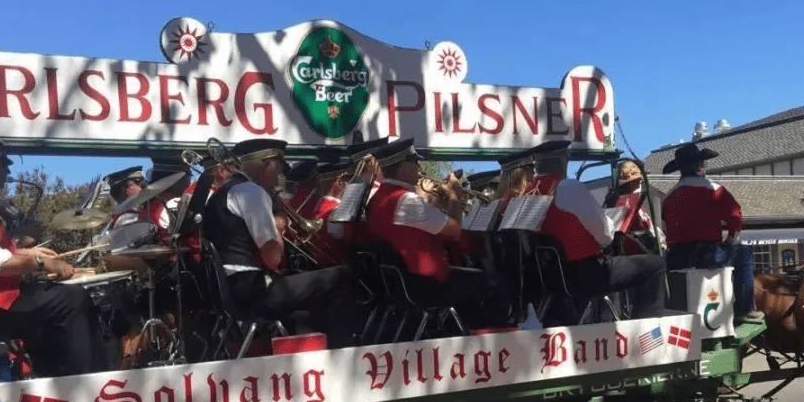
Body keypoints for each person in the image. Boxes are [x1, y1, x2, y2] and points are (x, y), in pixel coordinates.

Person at [0, 117, 111, 376]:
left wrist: (23, 253)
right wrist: (41, 263)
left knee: (44, 299)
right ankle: (83, 391)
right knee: (70, 299)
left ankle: (44, 383)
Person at [201, 138, 349, 338]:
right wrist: (279, 228)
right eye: (279, 165)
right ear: (266, 162)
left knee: (304, 292)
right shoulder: (251, 191)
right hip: (251, 292)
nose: (281, 174)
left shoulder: (222, 193)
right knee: (341, 275)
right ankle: (338, 349)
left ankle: (297, 342)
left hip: (229, 291)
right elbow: (273, 259)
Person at [365, 138, 509, 329]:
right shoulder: (407, 200)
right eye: (415, 163)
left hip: (401, 283)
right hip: (424, 284)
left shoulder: (378, 198)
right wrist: (455, 197)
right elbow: (455, 232)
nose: (419, 168)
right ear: (403, 167)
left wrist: (438, 206)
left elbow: (413, 225)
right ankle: (485, 340)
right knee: (499, 284)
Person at [526, 139, 667, 319]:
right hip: (582, 275)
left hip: (548, 277)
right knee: (655, 265)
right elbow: (605, 236)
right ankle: (646, 331)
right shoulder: (569, 187)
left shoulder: (529, 192)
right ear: (564, 161)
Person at [660, 142, 763, 321]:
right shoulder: (714, 189)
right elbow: (735, 217)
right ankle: (745, 309)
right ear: (700, 166)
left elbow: (667, 224)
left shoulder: (669, 197)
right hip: (707, 255)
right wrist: (729, 240)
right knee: (744, 254)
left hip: (676, 258)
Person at [604, 159, 661, 253]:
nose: (639, 185)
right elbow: (651, 230)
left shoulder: (612, 203)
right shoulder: (633, 205)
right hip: (638, 253)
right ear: (632, 183)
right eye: (638, 182)